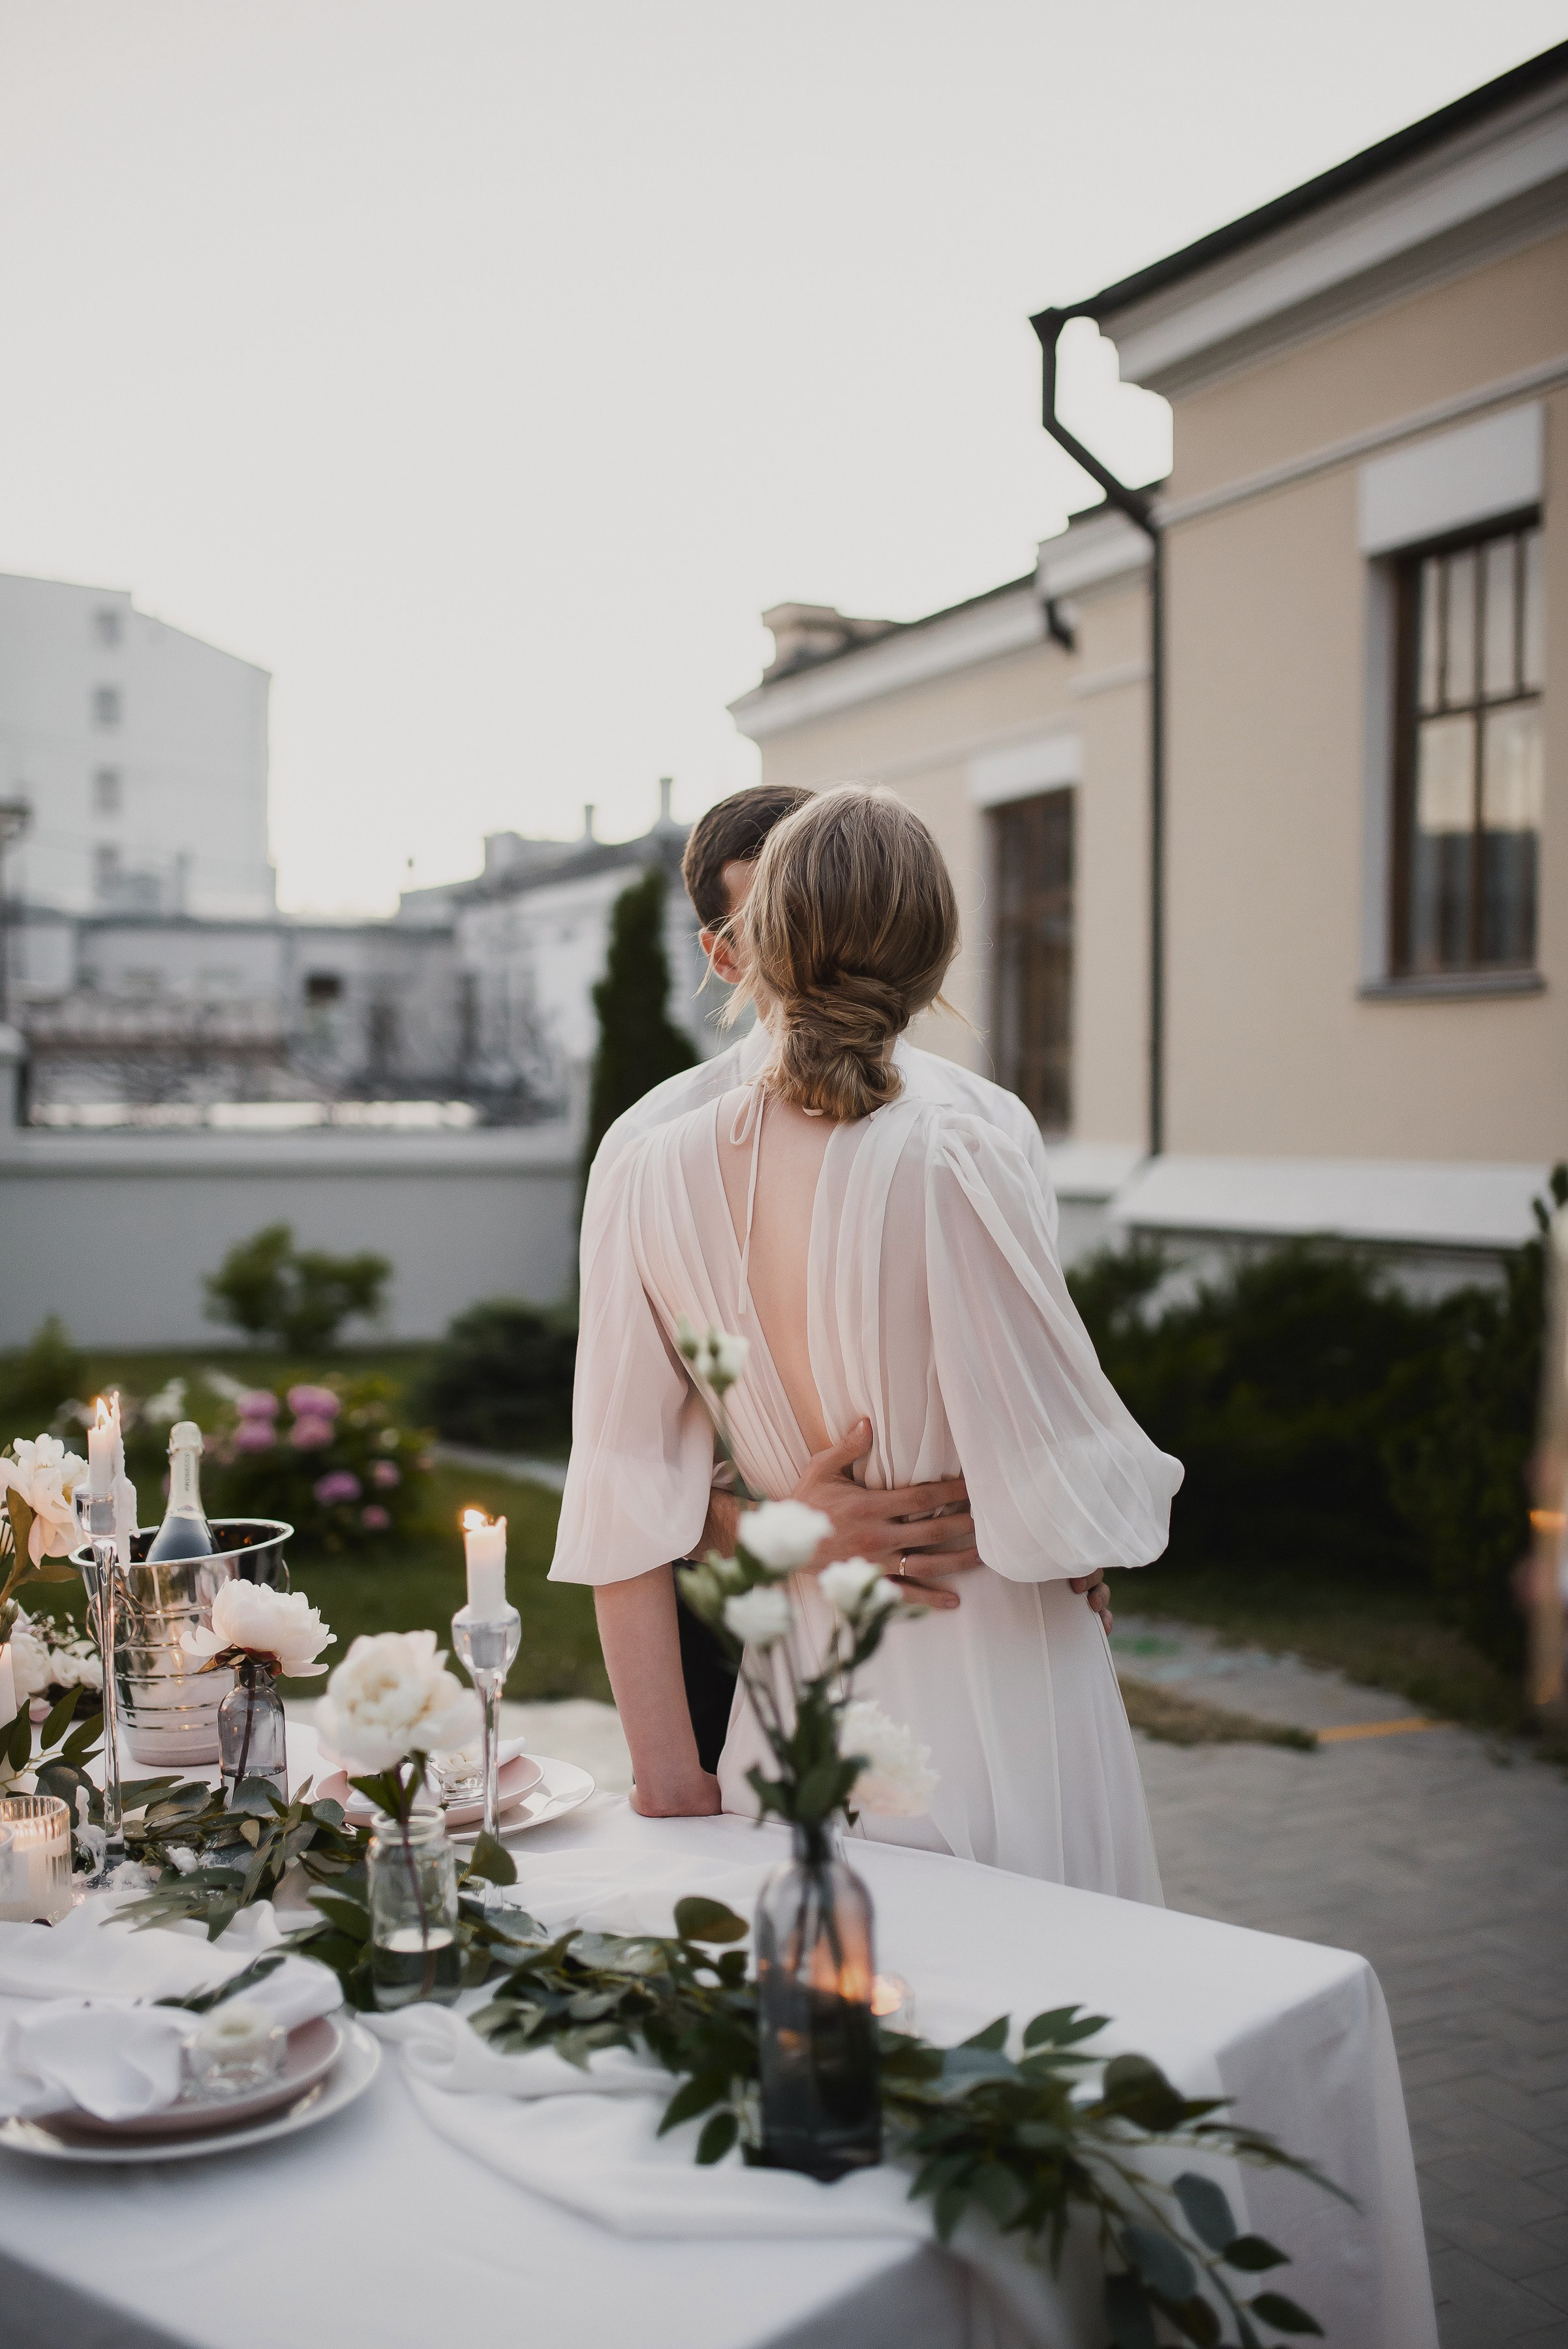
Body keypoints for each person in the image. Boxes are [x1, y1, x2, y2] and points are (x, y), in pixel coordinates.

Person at [553, 786, 1182, 1895]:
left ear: (763, 946)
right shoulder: (941, 1153)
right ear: (934, 954)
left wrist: (672, 1792)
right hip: (987, 1674)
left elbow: (610, 1490)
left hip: (803, 1686)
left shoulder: (678, 1170)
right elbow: (1071, 1481)